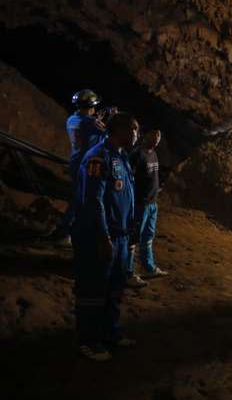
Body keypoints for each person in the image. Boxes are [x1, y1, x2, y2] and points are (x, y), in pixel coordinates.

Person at [72, 112, 138, 361]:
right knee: (92, 289)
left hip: (119, 235)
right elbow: (93, 200)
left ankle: (110, 333)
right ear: (117, 129)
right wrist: (103, 236)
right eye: (132, 128)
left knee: (114, 289)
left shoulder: (121, 157)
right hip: (97, 235)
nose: (136, 134)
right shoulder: (98, 157)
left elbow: (124, 197)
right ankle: (88, 341)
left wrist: (128, 231)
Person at [51, 90, 110, 246]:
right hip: (88, 165)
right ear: (91, 106)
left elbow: (88, 126)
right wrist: (109, 117)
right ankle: (65, 233)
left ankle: (67, 231)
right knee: (85, 200)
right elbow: (109, 133)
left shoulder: (72, 119)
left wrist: (96, 118)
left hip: (76, 162)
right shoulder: (91, 122)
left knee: (78, 199)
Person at [126, 129, 168, 288]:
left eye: (159, 135)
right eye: (154, 135)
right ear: (145, 135)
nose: (157, 138)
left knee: (148, 236)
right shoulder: (137, 155)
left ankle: (149, 268)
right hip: (140, 204)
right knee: (133, 238)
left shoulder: (154, 154)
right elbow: (129, 178)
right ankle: (127, 273)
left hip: (152, 203)